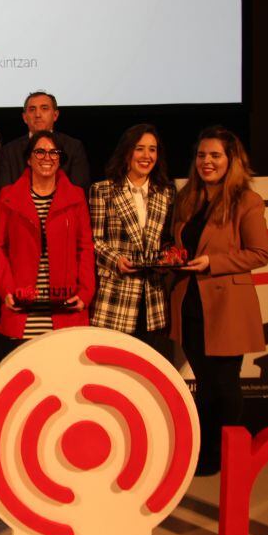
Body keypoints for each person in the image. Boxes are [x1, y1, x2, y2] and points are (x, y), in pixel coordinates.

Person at [170, 126, 268, 476]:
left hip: (227, 306)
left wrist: (215, 262)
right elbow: (185, 244)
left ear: (231, 160)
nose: (207, 162)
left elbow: (260, 253)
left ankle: (222, 456)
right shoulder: (188, 199)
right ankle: (206, 452)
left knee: (225, 386)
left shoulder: (246, 200)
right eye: (201, 155)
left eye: (215, 155)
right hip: (192, 304)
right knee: (206, 383)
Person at [0, 131, 94, 357]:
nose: (47, 157)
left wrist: (85, 293)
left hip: (64, 305)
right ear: (28, 158)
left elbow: (85, 247)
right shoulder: (8, 196)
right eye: (40, 151)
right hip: (22, 306)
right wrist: (7, 290)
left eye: (53, 152)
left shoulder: (76, 197)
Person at [88, 124, 176, 359]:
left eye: (153, 150)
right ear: (127, 152)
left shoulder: (166, 192)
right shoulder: (103, 190)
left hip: (153, 297)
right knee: (112, 366)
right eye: (140, 149)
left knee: (149, 369)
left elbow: (167, 239)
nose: (147, 156)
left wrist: (167, 257)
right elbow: (94, 240)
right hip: (117, 292)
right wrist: (116, 260)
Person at [0, 91, 89, 191]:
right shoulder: (9, 151)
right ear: (24, 117)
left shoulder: (73, 147)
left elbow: (79, 191)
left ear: (55, 115)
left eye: (44, 108)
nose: (37, 114)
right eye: (32, 109)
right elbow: (5, 193)